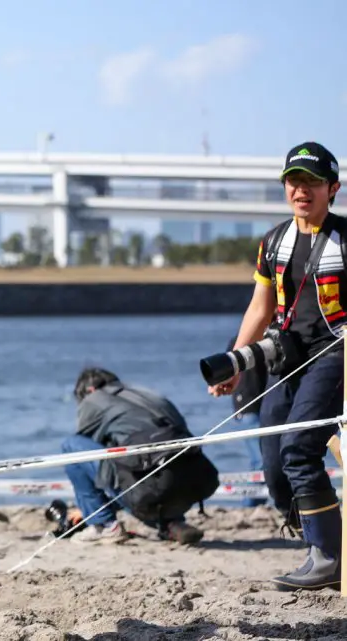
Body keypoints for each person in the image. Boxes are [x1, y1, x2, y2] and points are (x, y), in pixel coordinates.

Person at [209, 141, 346, 591]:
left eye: (311, 182)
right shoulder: (272, 242)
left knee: (299, 448)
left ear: (333, 188)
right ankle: (318, 537)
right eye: (293, 181)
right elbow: (259, 309)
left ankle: (327, 557)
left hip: (335, 353)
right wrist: (235, 364)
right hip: (287, 358)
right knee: (272, 457)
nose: (301, 190)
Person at [66, 367, 209, 545]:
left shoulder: (94, 400)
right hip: (189, 487)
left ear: (89, 390)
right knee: (151, 466)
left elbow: (94, 464)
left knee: (72, 446)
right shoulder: (149, 394)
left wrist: (91, 509)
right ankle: (172, 523)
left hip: (147, 491)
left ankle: (104, 525)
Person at [225, 334, 269, 508]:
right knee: (261, 460)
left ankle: (255, 502)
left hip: (261, 405)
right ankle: (251, 503)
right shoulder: (239, 341)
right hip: (249, 406)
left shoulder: (267, 338)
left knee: (263, 459)